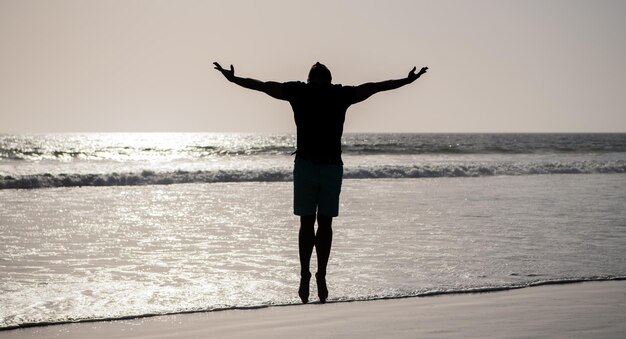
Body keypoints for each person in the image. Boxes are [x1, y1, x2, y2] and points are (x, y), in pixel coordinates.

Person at [213, 61, 428, 304]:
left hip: (313, 166)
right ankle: (314, 275)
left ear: (311, 79)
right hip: (325, 166)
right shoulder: (334, 93)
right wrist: (407, 81)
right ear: (327, 79)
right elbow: (375, 87)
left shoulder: (304, 91)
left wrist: (234, 79)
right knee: (321, 223)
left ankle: (311, 274)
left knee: (311, 223)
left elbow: (263, 86)